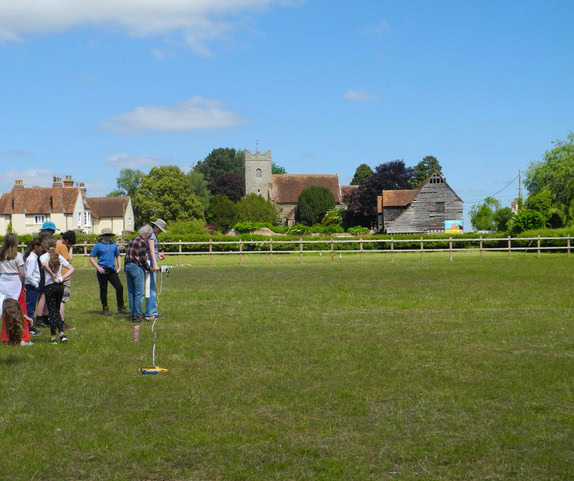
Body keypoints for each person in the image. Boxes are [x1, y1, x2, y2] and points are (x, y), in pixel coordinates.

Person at [40, 237, 74, 344]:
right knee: (57, 310)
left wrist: (52, 274)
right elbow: (72, 268)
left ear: (45, 246)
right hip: (60, 286)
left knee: (52, 312)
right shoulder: (59, 256)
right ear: (55, 246)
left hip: (49, 286)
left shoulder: (43, 256)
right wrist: (62, 278)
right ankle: (62, 334)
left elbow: (44, 265)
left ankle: (53, 337)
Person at [89, 228, 128, 316]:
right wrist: (98, 268)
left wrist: (119, 267)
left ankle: (121, 308)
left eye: (110, 235)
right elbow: (91, 258)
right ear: (103, 236)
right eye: (106, 235)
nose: (108, 237)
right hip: (102, 271)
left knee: (119, 287)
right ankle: (105, 308)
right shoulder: (98, 245)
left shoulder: (113, 245)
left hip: (112, 271)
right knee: (103, 290)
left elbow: (118, 256)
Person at [124, 225, 152, 322]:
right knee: (139, 293)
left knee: (131, 292)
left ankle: (133, 314)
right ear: (146, 234)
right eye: (149, 235)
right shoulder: (143, 242)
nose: (149, 237)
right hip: (136, 267)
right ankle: (138, 316)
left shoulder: (132, 240)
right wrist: (149, 268)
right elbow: (143, 258)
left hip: (127, 266)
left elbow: (127, 254)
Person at [35, 221, 57, 328]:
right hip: (43, 272)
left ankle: (44, 316)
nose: (54, 233)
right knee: (43, 294)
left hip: (42, 271)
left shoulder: (39, 244)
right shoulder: (44, 246)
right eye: (53, 231)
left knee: (44, 295)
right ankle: (40, 318)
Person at [145, 218, 167, 321]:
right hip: (150, 264)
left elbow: (153, 252)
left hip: (150, 262)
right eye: (160, 229)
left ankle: (150, 312)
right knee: (151, 289)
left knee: (151, 288)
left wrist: (159, 256)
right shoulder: (152, 236)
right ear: (156, 227)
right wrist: (155, 264)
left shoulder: (152, 235)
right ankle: (151, 313)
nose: (160, 231)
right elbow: (151, 251)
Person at [24, 238, 43, 336]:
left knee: (31, 306)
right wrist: (36, 284)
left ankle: (28, 326)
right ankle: (28, 328)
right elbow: (28, 275)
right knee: (30, 307)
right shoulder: (31, 258)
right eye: (41, 246)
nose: (42, 248)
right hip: (31, 285)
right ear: (36, 246)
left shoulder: (33, 257)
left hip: (32, 285)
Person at [56, 230, 75, 328]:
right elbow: (69, 260)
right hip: (64, 275)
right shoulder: (62, 246)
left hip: (55, 275)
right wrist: (70, 249)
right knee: (62, 300)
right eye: (70, 243)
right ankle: (62, 322)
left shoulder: (55, 243)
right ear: (67, 241)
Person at [0, 233, 25, 301]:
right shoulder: (18, 255)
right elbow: (21, 273)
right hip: (14, 280)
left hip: (2, 279)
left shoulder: (1, 255)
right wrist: (23, 284)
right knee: (14, 301)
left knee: (3, 300)